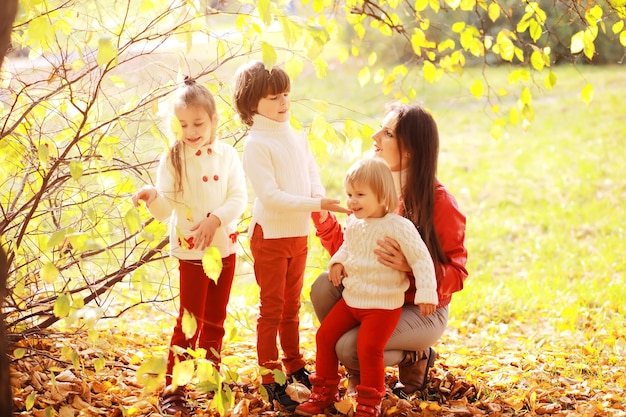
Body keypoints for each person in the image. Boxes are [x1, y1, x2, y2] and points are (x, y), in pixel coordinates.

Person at [310, 103, 468, 399]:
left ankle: (415, 356)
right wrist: (323, 221)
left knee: (348, 347)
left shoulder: (439, 202)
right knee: (322, 287)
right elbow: (354, 252)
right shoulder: (372, 189)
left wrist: (410, 267)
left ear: (409, 149)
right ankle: (360, 374)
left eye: (387, 133)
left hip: (422, 308)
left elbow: (458, 275)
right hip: (374, 296)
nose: (375, 136)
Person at [232, 60, 349, 411]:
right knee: (272, 309)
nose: (283, 103)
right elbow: (270, 197)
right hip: (270, 236)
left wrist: (320, 203)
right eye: (273, 97)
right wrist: (314, 201)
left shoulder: (295, 134)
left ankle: (294, 364)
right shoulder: (256, 145)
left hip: (298, 235)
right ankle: (270, 378)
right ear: (252, 104)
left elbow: (311, 173)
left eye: (286, 95)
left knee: (292, 309)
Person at [132, 77, 247, 417]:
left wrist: (215, 220)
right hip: (191, 251)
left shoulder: (226, 155)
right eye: (183, 124)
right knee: (190, 320)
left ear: (214, 120)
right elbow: (167, 206)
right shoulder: (174, 157)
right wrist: (152, 197)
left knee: (215, 320)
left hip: (223, 246)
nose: (191, 130)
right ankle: (174, 388)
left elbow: (238, 198)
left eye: (198, 123)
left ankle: (211, 378)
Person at [295, 158, 438, 417]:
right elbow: (347, 247)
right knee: (324, 336)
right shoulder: (355, 223)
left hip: (383, 307)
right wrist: (338, 262)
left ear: (382, 195)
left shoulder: (398, 226)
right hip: (353, 300)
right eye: (349, 194)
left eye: (360, 195)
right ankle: (324, 393)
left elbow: (421, 258)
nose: (352, 201)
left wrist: (427, 293)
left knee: (368, 348)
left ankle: (369, 402)